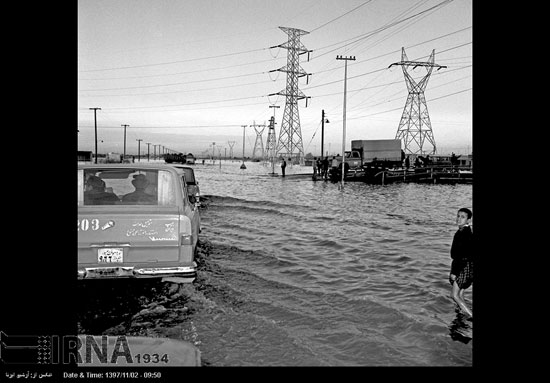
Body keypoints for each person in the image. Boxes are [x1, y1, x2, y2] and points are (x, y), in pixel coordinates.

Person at [449, 207, 474, 318]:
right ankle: (461, 315)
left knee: (454, 295)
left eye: (463, 217)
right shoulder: (465, 231)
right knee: (460, 294)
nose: (459, 219)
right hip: (468, 267)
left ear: (468, 220)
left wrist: (454, 272)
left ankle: (470, 316)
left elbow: (461, 256)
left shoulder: (463, 234)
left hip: (463, 267)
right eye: (458, 216)